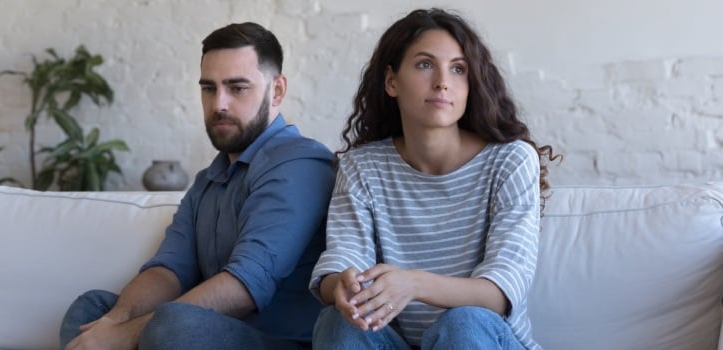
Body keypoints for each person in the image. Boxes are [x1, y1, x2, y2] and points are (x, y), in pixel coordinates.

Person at [60, 22, 336, 350]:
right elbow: (168, 270)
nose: (219, 103)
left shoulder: (300, 163)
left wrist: (126, 335)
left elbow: (246, 285)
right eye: (209, 88)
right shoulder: (208, 180)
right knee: (92, 310)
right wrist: (113, 323)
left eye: (237, 88)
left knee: (174, 325)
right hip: (201, 336)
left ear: (276, 90)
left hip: (276, 342)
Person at [310, 8, 560, 350]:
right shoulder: (362, 168)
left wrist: (412, 284)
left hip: (484, 340)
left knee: (464, 322)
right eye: (425, 64)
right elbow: (340, 262)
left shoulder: (510, 161)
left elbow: (502, 292)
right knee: (338, 321)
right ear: (391, 81)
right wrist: (342, 285)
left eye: (458, 69)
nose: (443, 81)